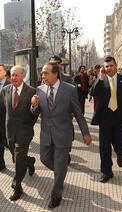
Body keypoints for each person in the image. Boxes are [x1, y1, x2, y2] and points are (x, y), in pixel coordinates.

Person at [31, 62, 91, 208]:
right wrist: (33, 105)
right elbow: (35, 113)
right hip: (46, 134)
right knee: (44, 159)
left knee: (59, 165)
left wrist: (85, 133)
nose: (42, 75)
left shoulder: (69, 90)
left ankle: (56, 195)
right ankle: (61, 170)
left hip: (63, 134)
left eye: (46, 73)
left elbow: (78, 113)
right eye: (42, 73)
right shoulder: (40, 90)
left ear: (55, 74)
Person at [89, 56, 122, 183]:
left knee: (119, 143)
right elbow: (93, 93)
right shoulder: (101, 80)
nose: (108, 68)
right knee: (104, 146)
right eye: (106, 66)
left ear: (115, 65)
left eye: (111, 65)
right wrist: (100, 78)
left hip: (120, 117)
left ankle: (120, 153)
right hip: (105, 118)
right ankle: (106, 171)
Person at [0, 65, 37, 201]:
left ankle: (17, 187)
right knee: (18, 158)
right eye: (12, 75)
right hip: (10, 131)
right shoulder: (5, 90)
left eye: (17, 75)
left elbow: (35, 114)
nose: (14, 77)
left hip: (25, 132)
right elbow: (6, 111)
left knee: (18, 158)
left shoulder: (32, 91)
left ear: (23, 76)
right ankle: (30, 162)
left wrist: (34, 105)